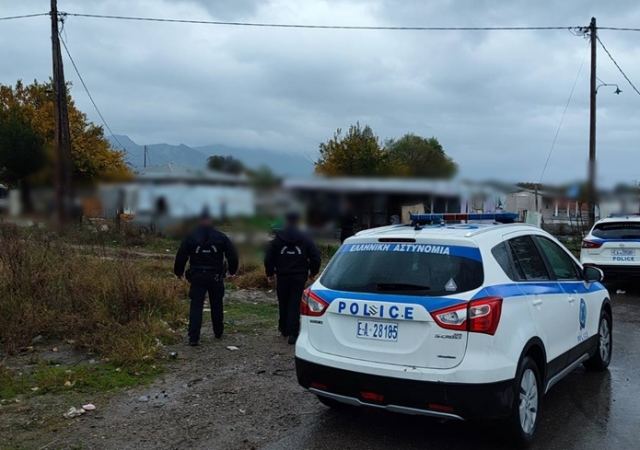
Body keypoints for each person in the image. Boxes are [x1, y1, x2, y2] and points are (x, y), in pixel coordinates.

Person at [174, 209, 238, 346]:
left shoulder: (191, 237)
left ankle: (193, 338)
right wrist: (232, 271)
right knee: (217, 304)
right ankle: (218, 332)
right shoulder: (220, 236)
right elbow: (232, 255)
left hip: (197, 276)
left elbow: (181, 256)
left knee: (196, 306)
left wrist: (178, 272)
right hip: (216, 276)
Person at [264, 212, 321, 345]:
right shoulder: (305, 238)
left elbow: (268, 258)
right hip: (299, 276)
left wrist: (270, 274)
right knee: (295, 303)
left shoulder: (278, 239)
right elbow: (316, 258)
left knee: (283, 301)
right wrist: (313, 273)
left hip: (282, 275)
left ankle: (284, 328)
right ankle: (293, 333)